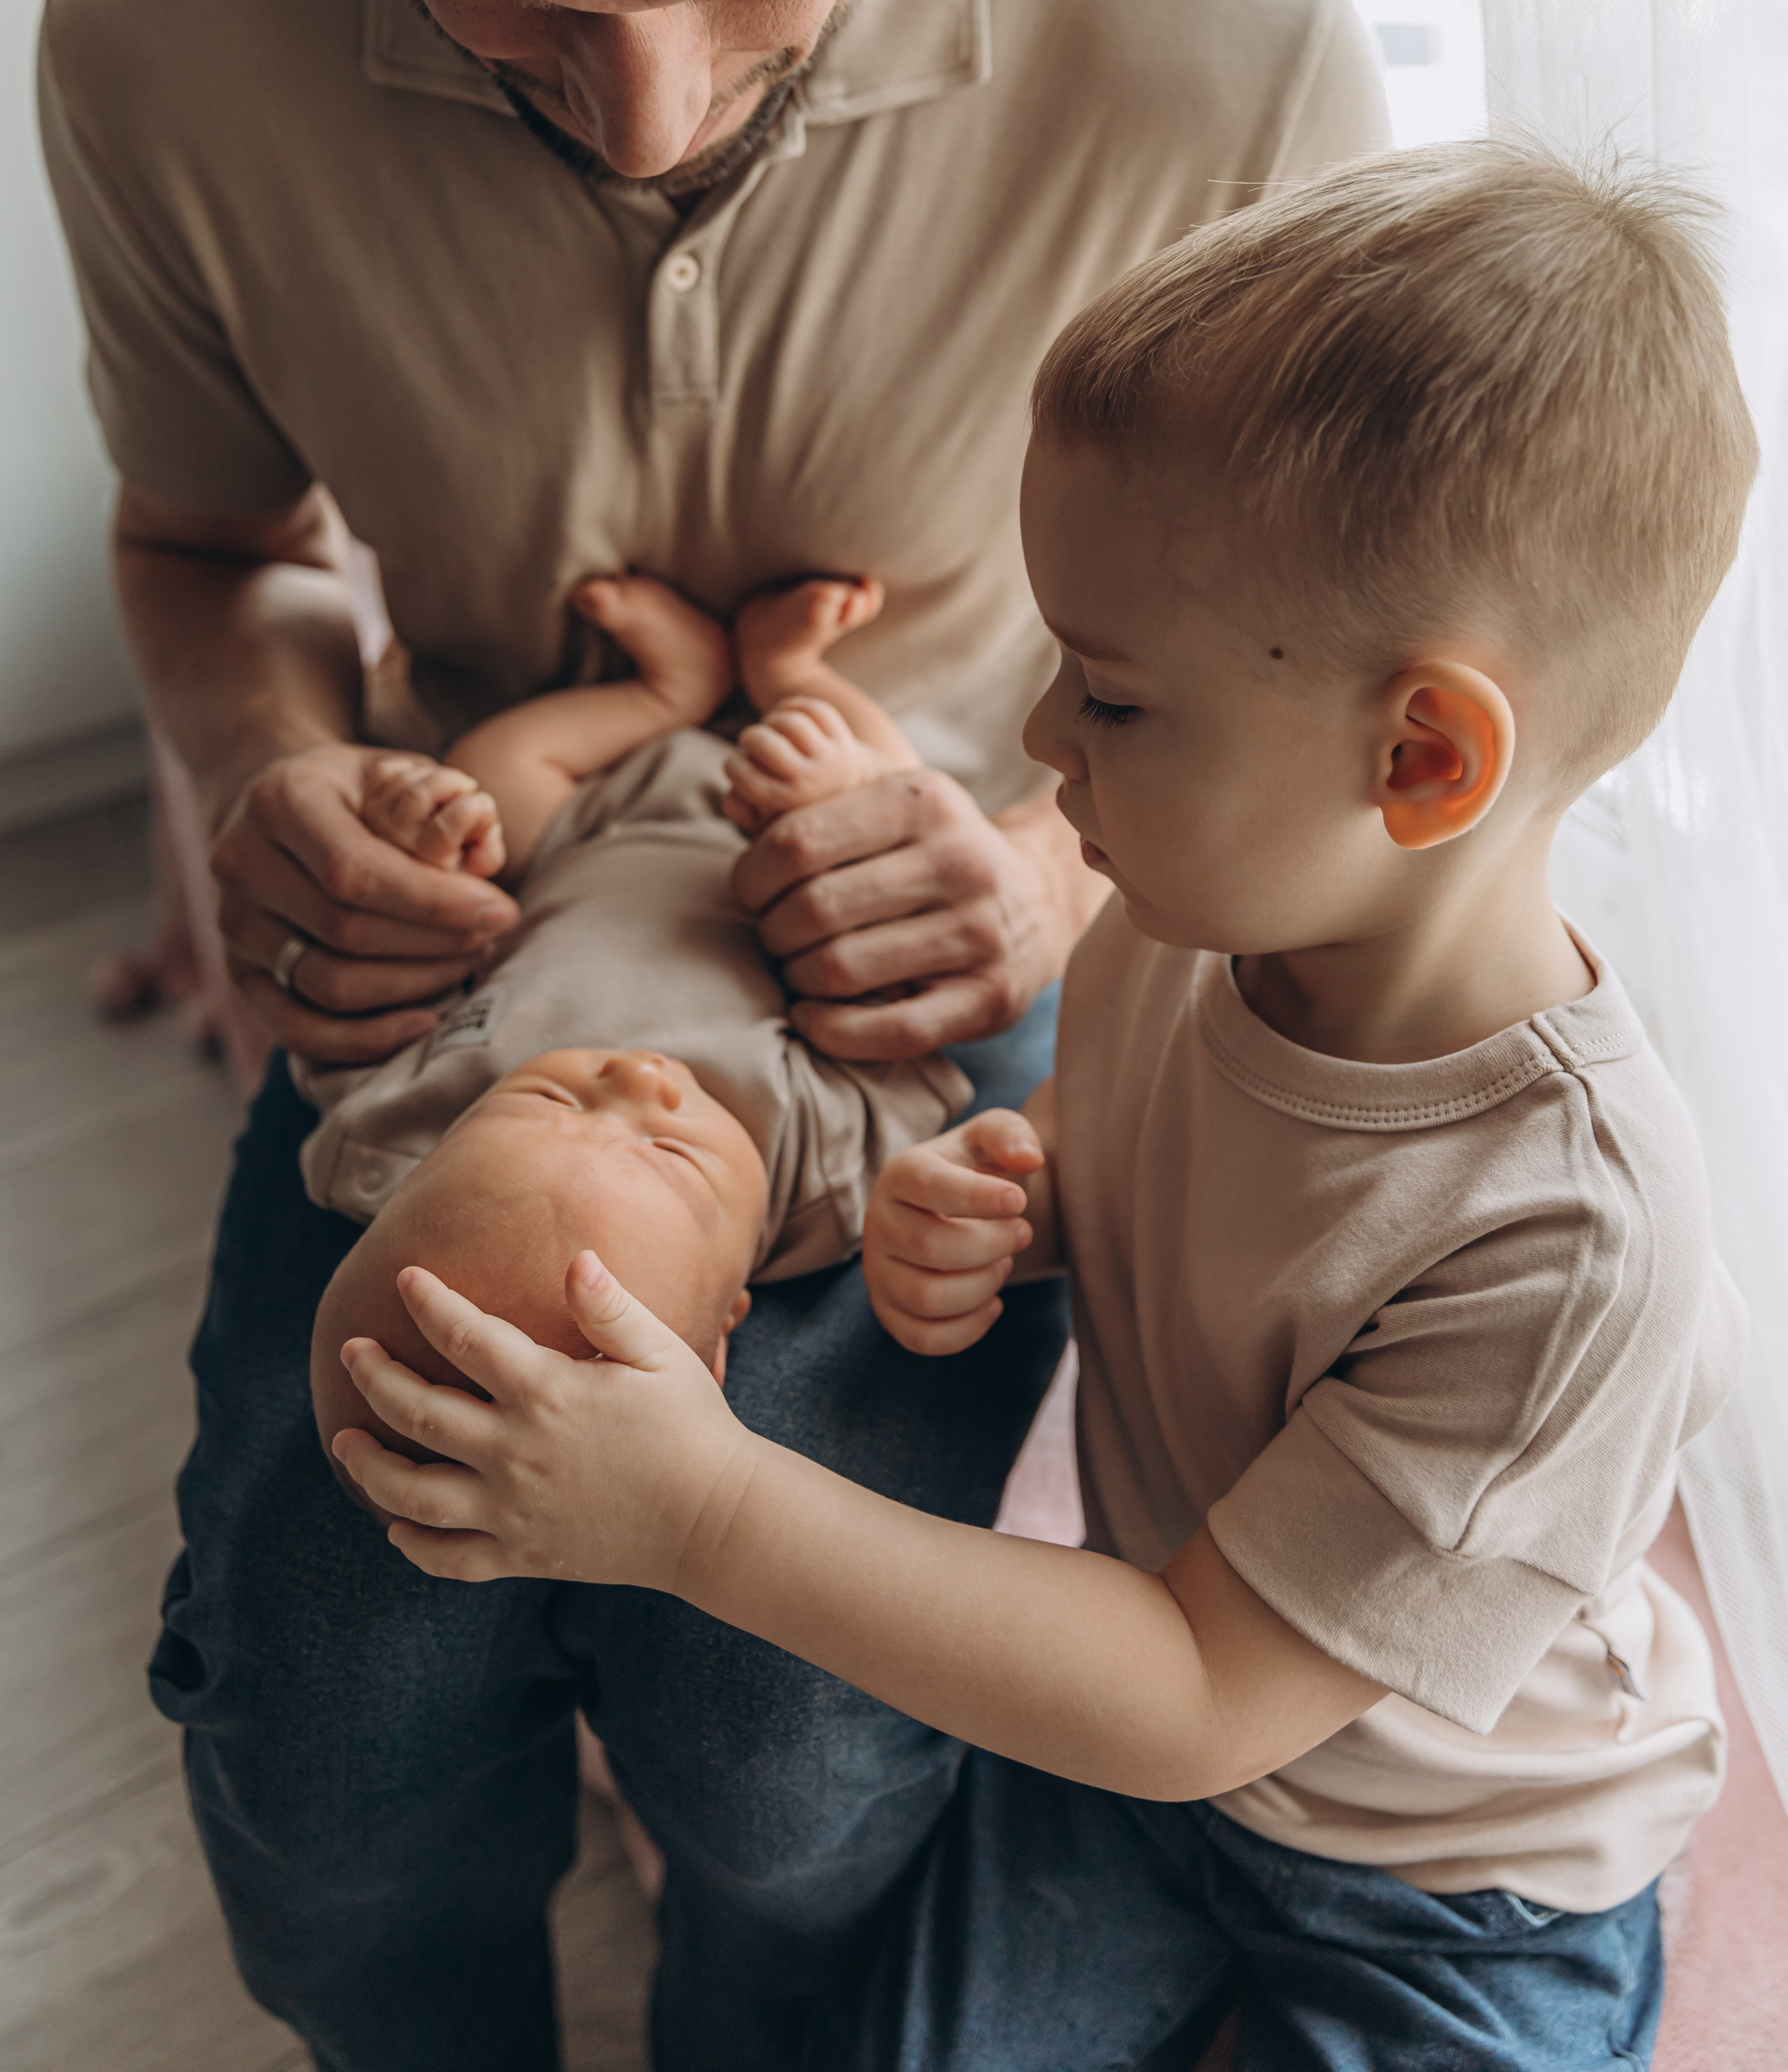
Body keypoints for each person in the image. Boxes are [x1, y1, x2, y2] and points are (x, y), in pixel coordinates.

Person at [38, 0, 1386, 2059]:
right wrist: (264, 778)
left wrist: (1055, 868)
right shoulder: (149, 38)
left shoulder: (1235, 58)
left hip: (945, 971)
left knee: (794, 1758)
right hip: (473, 952)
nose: (643, 108)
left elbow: (1350, 719)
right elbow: (210, 560)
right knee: (327, 1735)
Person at [339, 143, 1752, 2072]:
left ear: (1420, 757)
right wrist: (1015, 1195)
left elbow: (1191, 1689)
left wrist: (699, 1510)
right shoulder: (1181, 923)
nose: (1034, 746)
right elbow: (1163, 1187)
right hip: (1150, 1790)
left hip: (1451, 1873)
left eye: (1112, 696)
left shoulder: (1567, 1238)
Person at [310, 566, 969, 1476]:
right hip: (798, 855)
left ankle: (667, 689)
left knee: (486, 778)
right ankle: (791, 670)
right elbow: (909, 1013)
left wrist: (427, 837)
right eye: (673, 1154)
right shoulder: (818, 1175)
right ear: (722, 1324)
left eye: (551, 1102)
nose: (640, 1080)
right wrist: (836, 796)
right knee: (900, 828)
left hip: (586, 824)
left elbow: (355, 1011)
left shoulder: (406, 1127)